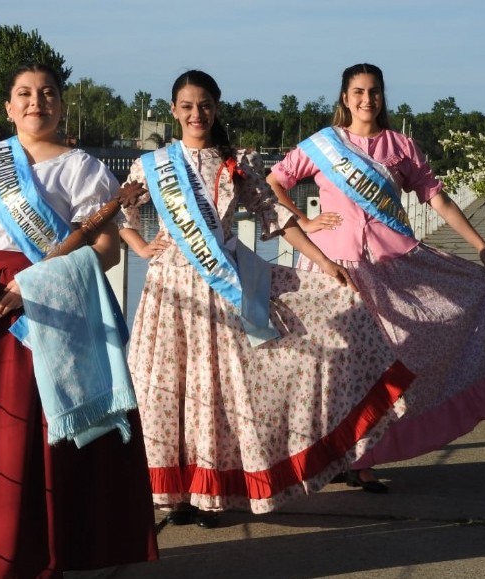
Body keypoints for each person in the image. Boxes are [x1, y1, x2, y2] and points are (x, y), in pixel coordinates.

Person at [118, 69, 415, 526]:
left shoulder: (236, 162)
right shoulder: (152, 165)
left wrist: (324, 261)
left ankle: (211, 492)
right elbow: (121, 210)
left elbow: (275, 215)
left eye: (205, 105)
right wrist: (139, 246)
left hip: (226, 289)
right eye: (188, 106)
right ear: (174, 111)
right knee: (169, 388)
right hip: (170, 290)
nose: (197, 114)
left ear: (216, 109)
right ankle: (175, 492)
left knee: (220, 392)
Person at [0, 63, 158, 578]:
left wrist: (35, 285)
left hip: (55, 306)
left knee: (48, 422)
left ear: (61, 104)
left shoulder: (83, 168)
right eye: (24, 94)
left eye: (47, 93)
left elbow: (106, 251)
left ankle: (57, 549)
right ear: (8, 106)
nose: (36, 102)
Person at [266, 63, 485, 492]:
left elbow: (437, 199)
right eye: (359, 92)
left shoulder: (400, 146)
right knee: (333, 366)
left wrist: (479, 244)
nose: (367, 99)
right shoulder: (322, 145)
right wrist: (303, 223)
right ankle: (330, 456)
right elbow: (274, 181)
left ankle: (365, 458)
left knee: (389, 363)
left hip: (392, 270)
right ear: (345, 98)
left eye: (375, 91)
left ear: (383, 96)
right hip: (333, 272)